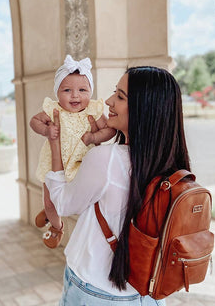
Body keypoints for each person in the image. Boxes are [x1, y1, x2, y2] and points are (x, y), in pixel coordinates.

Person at [44, 66, 190, 305]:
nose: (109, 101)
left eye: (120, 97)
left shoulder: (107, 159)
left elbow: (63, 203)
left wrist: (54, 146)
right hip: (149, 292)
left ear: (145, 109)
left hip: (95, 290)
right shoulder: (175, 165)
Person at [30, 55, 116, 248]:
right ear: (57, 93)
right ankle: (56, 226)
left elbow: (109, 130)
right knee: (50, 201)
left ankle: (52, 211)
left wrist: (94, 138)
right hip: (52, 162)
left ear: (90, 92)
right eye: (67, 90)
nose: (75, 96)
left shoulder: (92, 111)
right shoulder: (54, 110)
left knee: (77, 201)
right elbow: (34, 121)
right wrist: (45, 130)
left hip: (81, 164)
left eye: (82, 90)